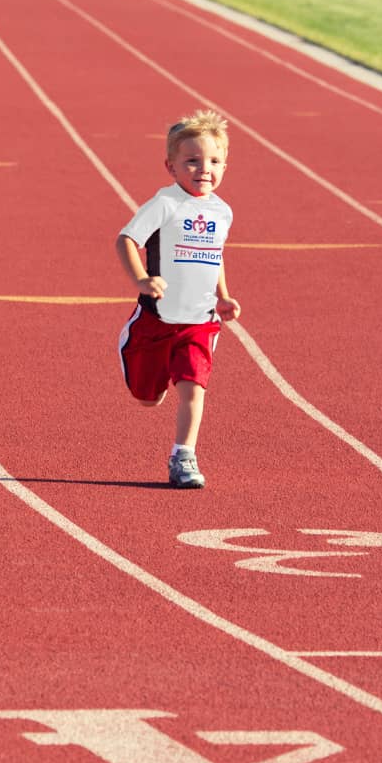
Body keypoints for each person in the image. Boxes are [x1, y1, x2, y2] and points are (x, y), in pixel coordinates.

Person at [115, 109, 241, 489]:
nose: (204, 169)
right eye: (192, 161)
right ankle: (129, 344)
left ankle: (183, 456)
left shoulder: (222, 212)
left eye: (215, 161)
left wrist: (223, 297)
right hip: (156, 320)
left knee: (192, 387)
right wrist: (141, 279)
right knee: (147, 398)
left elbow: (215, 255)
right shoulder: (164, 204)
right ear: (171, 167)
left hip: (200, 321)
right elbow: (125, 240)